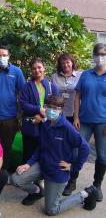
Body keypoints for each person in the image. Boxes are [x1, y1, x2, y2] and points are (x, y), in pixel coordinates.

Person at [11, 95, 97, 215]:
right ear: (44, 107)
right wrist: (28, 164)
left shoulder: (67, 128)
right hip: (43, 164)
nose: (51, 110)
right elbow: (40, 147)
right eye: (48, 107)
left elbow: (85, 148)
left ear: (61, 110)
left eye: (55, 108)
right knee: (16, 179)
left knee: (51, 210)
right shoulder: (46, 124)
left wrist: (74, 166)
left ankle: (85, 194)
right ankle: (37, 191)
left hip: (57, 171)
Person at [74, 43, 106, 202]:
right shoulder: (86, 74)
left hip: (103, 123)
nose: (100, 56)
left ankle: (97, 185)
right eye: (98, 53)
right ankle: (71, 182)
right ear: (93, 56)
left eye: (104, 54)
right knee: (77, 151)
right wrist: (76, 117)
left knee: (102, 156)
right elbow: (77, 96)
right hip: (84, 121)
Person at [51, 53, 82, 195]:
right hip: (58, 117)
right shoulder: (54, 77)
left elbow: (81, 95)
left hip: (74, 117)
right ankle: (60, 176)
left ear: (72, 63)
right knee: (59, 146)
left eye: (68, 62)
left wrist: (77, 116)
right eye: (63, 63)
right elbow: (51, 97)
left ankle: (72, 181)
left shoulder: (80, 76)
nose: (66, 65)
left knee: (74, 148)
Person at [20, 58, 58, 163]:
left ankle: (40, 177)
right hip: (30, 124)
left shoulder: (52, 87)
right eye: (34, 68)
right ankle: (26, 177)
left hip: (47, 124)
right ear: (31, 71)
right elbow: (23, 104)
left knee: (45, 152)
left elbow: (56, 106)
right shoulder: (26, 87)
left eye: (39, 67)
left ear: (44, 68)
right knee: (28, 153)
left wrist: (42, 117)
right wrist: (38, 109)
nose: (37, 70)